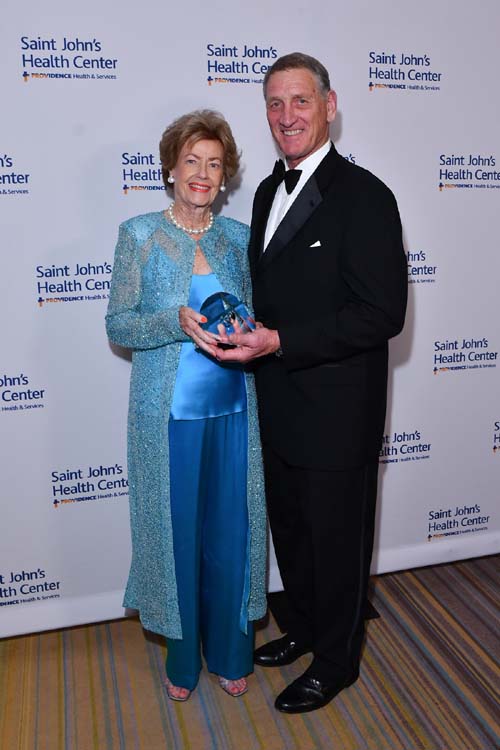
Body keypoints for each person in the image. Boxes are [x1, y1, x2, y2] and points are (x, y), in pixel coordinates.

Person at [213, 53, 407, 713]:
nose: (286, 116)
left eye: (300, 101)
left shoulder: (367, 197)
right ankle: (303, 627)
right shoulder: (267, 192)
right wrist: (247, 330)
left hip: (338, 409)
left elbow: (382, 313)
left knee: (336, 536)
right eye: (275, 103)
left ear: (329, 105)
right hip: (278, 398)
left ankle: (337, 661)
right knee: (293, 528)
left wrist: (283, 341)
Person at [105, 110, 266, 702]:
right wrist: (172, 321)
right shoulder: (139, 234)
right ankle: (182, 658)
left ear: (225, 177)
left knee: (231, 531)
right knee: (177, 532)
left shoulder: (239, 238)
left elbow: (253, 315)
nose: (202, 173)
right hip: (166, 414)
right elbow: (118, 324)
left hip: (233, 410)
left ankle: (230, 650)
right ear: (171, 168)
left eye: (214, 164)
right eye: (191, 161)